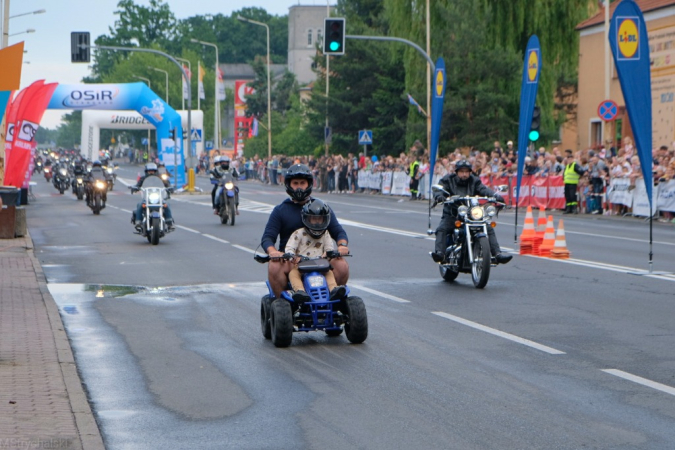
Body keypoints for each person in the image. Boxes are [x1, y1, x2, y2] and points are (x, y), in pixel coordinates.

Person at [261, 164, 350, 300]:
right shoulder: (280, 210)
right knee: (274, 266)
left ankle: (334, 299)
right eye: (295, 183)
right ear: (289, 185)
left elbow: (338, 231)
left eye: (302, 183)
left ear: (309, 184)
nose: (299, 187)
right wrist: (273, 251)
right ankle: (281, 304)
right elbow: (268, 238)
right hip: (292, 260)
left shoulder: (321, 208)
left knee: (342, 265)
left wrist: (342, 245)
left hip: (320, 258)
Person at [430, 160, 512, 264]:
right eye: (461, 171)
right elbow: (439, 189)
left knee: (488, 227)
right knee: (442, 228)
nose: (464, 174)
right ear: (457, 172)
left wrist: (495, 195)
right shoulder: (448, 180)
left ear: (470, 172)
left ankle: (497, 254)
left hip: (470, 213)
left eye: (466, 172)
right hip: (453, 213)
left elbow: (483, 189)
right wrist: (439, 196)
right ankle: (440, 254)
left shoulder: (474, 180)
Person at [284, 198, 347, 303]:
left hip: (320, 265)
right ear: (307, 219)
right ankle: (300, 292)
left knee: (329, 273)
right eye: (314, 219)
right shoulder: (298, 233)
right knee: (293, 274)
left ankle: (333, 290)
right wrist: (292, 256)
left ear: (325, 220)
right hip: (301, 266)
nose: (317, 223)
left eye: (320, 219)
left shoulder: (326, 234)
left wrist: (330, 254)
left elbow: (329, 248)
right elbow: (290, 248)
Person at [131, 162, 175, 231]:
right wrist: (135, 187)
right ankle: (138, 222)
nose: (151, 172)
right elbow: (138, 185)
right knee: (140, 205)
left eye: (153, 171)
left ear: (155, 171)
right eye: (149, 171)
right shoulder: (143, 178)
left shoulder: (160, 178)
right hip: (147, 198)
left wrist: (169, 187)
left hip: (158, 197)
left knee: (166, 205)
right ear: (146, 171)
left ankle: (169, 223)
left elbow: (166, 183)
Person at [563, 149, 586, 214]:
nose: (569, 160)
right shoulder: (567, 166)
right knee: (567, 196)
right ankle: (568, 208)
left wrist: (581, 177)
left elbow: (581, 172)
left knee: (572, 196)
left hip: (573, 183)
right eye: (568, 159)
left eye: (570, 159)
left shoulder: (575, 165)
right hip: (567, 183)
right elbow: (564, 174)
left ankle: (574, 208)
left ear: (572, 159)